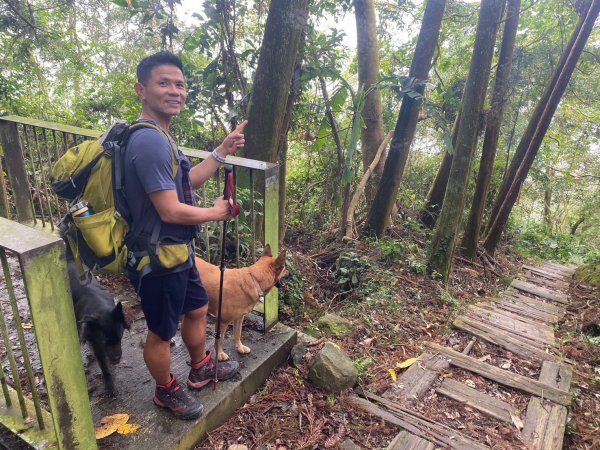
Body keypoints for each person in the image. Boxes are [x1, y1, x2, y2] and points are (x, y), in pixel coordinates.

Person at [125, 51, 247, 420]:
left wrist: (221, 153)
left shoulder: (163, 137)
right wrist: (215, 213)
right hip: (157, 256)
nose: (174, 91)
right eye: (164, 83)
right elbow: (170, 209)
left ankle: (199, 367)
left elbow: (184, 182)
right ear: (141, 90)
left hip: (178, 251)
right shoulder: (148, 142)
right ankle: (166, 391)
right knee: (162, 332)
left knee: (196, 307)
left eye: (179, 84)